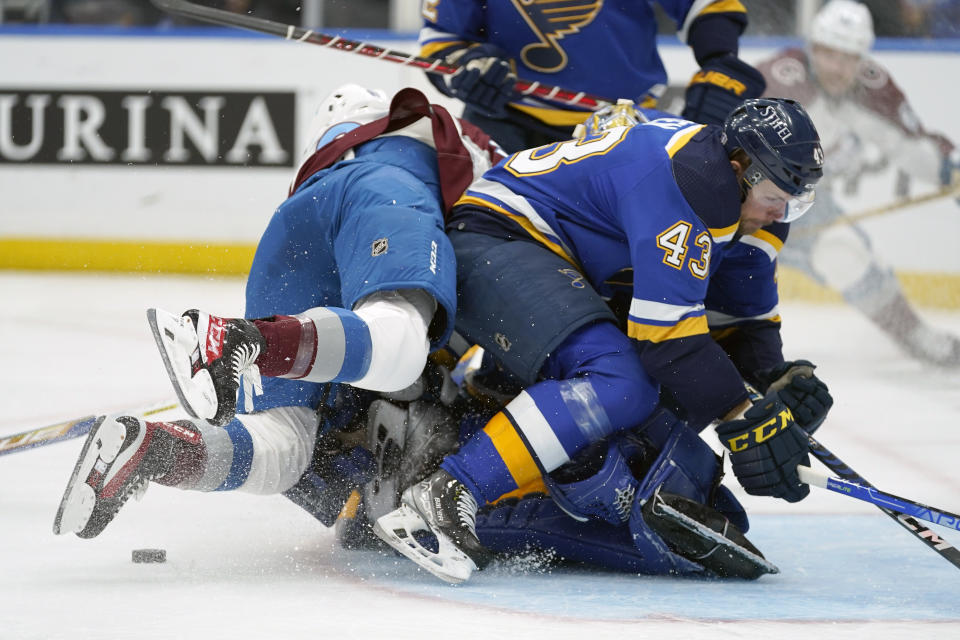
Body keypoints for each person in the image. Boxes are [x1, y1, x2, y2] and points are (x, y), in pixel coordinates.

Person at [371, 98, 831, 583]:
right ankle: (448, 491)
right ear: (740, 168)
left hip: (541, 255)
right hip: (498, 239)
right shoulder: (692, 186)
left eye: (798, 202)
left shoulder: (733, 186)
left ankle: (519, 479)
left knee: (655, 397)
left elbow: (738, 314)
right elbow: (668, 341)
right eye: (779, 197)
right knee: (620, 381)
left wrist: (772, 378)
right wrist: (744, 418)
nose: (783, 213)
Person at [52, 84, 504, 539]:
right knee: (399, 343)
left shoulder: (335, 148)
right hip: (384, 197)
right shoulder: (445, 139)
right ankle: (238, 341)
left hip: (294, 224)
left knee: (285, 443)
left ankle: (152, 447)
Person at [756, 0, 960, 366]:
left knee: (844, 252)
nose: (839, 67)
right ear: (811, 48)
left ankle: (915, 335)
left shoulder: (870, 87)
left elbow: (909, 142)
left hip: (802, 205)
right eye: (829, 54)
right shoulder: (782, 77)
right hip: (742, 195)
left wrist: (949, 171)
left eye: (849, 57)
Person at [417, 0, 767, 152]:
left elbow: (704, 5)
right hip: (504, 123)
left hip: (621, 125)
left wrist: (718, 57)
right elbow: (442, 42)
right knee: (485, 244)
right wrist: (469, 65)